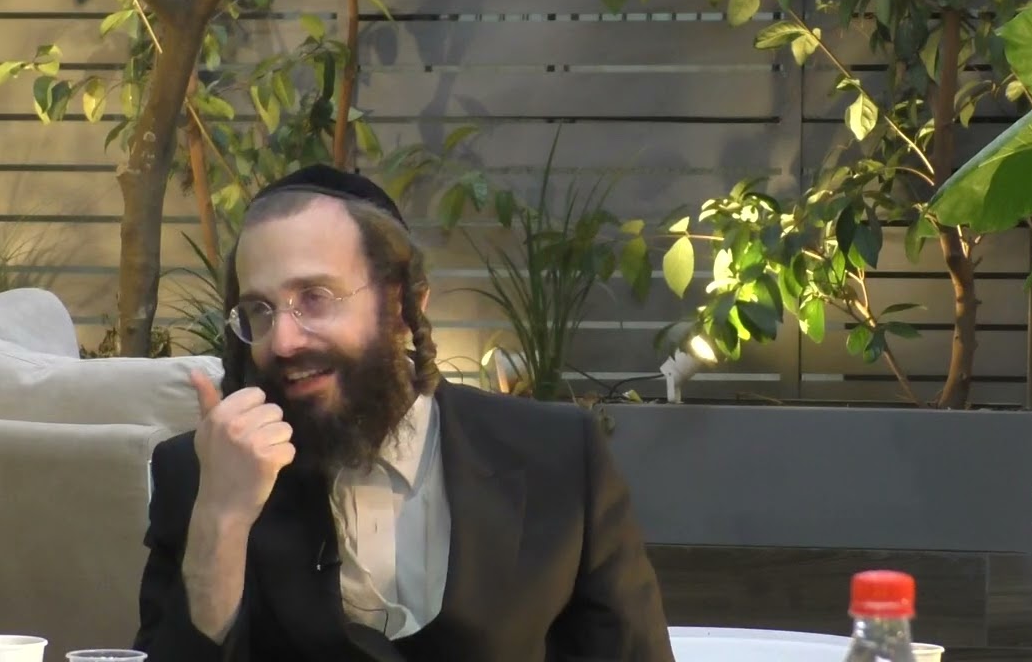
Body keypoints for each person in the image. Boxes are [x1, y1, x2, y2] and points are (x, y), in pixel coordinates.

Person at [133, 164, 675, 661]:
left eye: (315, 297)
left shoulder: (557, 456)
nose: (284, 340)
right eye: (260, 310)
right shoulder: (199, 476)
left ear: (399, 304)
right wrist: (221, 519)